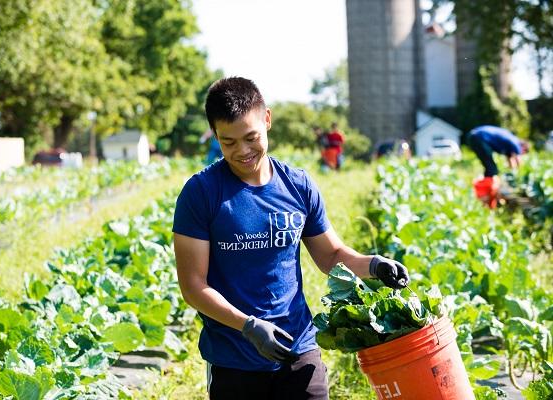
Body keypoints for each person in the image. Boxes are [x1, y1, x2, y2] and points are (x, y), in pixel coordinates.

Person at [172, 77, 410, 400]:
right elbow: (193, 286)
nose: (242, 151)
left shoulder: (297, 186)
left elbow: (331, 255)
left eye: (251, 137)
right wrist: (248, 326)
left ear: (267, 120)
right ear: (214, 135)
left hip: (297, 348)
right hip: (234, 361)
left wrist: (375, 265)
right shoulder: (200, 194)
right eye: (228, 142)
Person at [468, 125, 528, 206]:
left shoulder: (509, 144)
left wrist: (510, 172)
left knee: (490, 168)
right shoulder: (516, 143)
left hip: (475, 136)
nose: (521, 153)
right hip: (479, 137)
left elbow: (510, 162)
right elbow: (518, 161)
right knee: (492, 169)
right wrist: (521, 176)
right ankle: (485, 196)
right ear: (523, 148)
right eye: (523, 153)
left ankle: (486, 195)